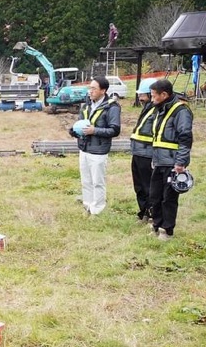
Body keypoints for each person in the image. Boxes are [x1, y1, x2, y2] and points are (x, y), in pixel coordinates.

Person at [147, 78, 193, 240]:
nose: (152, 100)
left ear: (164, 94)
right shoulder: (160, 110)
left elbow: (185, 137)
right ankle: (156, 225)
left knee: (169, 199)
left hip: (172, 163)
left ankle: (167, 231)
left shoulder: (181, 111)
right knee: (155, 196)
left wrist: (180, 162)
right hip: (159, 161)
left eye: (154, 96)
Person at [69, 77, 121, 216]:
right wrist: (74, 130)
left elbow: (114, 130)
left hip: (98, 150)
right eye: (89, 88)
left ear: (103, 90)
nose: (90, 91)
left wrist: (95, 130)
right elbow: (81, 122)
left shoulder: (112, 106)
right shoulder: (86, 105)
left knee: (97, 181)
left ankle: (97, 210)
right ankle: (87, 205)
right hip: (84, 148)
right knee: (86, 180)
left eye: (94, 89)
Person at [128, 78, 159, 222]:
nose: (139, 98)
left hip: (147, 153)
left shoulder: (157, 109)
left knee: (148, 186)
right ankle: (144, 212)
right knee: (139, 186)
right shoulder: (147, 108)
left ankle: (152, 213)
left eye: (142, 95)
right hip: (138, 151)